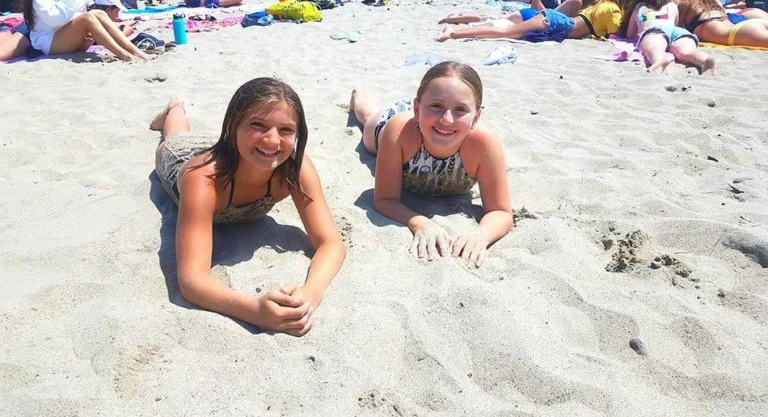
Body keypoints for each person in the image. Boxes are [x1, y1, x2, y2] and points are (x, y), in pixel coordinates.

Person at [150, 78, 346, 337]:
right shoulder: (203, 179)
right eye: (258, 124)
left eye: (286, 130)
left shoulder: (294, 168)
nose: (273, 140)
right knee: (175, 137)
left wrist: (310, 294)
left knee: (250, 146)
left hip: (236, 150)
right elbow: (191, 280)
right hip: (183, 159)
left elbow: (331, 243)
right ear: (233, 125)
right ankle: (174, 109)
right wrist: (255, 311)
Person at [348, 62, 514, 268]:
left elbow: (502, 212)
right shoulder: (398, 132)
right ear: (416, 108)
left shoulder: (484, 144)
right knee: (367, 119)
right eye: (437, 105)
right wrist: (418, 221)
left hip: (423, 122)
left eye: (461, 109)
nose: (446, 119)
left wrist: (481, 236)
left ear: (476, 118)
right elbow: (384, 199)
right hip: (392, 128)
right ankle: (358, 97)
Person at [22, 0, 148, 61]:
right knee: (87, 17)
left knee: (98, 13)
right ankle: (124, 55)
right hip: (48, 42)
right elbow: (54, 20)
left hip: (62, 36)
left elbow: (78, 11)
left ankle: (135, 51)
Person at [436, 0, 619, 41]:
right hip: (556, 23)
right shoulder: (612, 9)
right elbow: (619, 34)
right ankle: (452, 33)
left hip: (555, 20)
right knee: (505, 32)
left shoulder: (596, 6)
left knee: (497, 22)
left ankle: (455, 27)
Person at [619, 0, 716, 74]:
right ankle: (704, 60)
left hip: (654, 30)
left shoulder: (639, 7)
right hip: (677, 31)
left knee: (654, 48)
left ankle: (659, 60)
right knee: (686, 52)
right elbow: (675, 25)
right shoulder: (672, 5)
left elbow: (630, 35)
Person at [676, 0, 768, 47]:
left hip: (739, 33)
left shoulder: (681, 4)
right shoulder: (713, 2)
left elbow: (676, 30)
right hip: (744, 27)